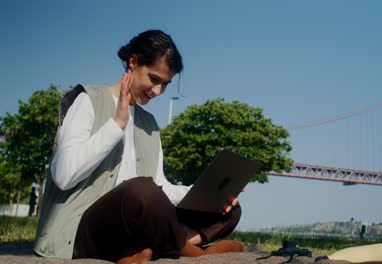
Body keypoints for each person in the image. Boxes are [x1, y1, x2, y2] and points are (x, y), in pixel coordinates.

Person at [33, 30, 244, 264]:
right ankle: (192, 250)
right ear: (133, 62)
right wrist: (116, 125)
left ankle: (150, 246)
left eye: (165, 84)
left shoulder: (150, 124)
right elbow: (63, 176)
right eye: (154, 79)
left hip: (136, 218)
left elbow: (160, 186)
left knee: (228, 210)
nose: (158, 91)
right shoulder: (88, 100)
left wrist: (204, 194)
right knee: (140, 190)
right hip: (81, 229)